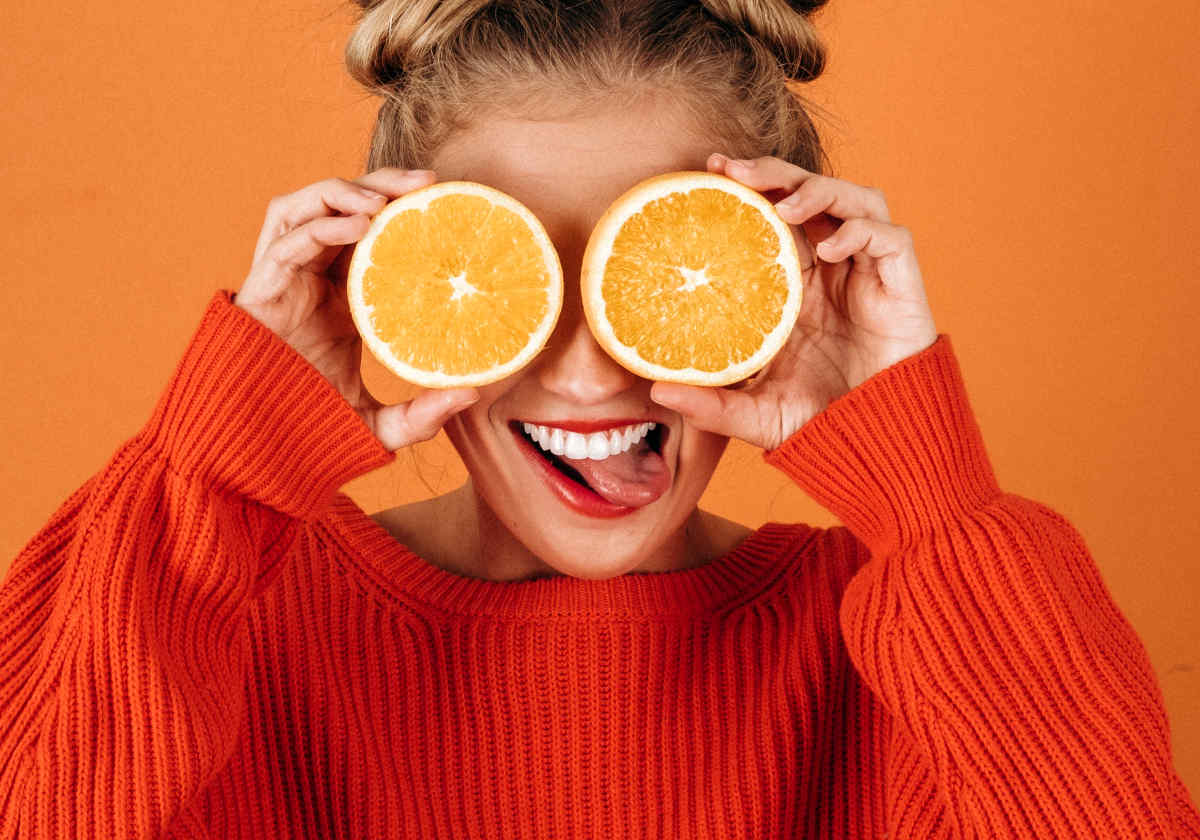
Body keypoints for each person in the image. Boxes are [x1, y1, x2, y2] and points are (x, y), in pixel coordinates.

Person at [2, 0, 1197, 837]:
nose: (582, 378)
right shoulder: (207, 627)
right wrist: (218, 466)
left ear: (779, 284)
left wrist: (930, 498)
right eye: (511, 278)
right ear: (389, 281)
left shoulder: (911, 656)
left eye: (658, 276)